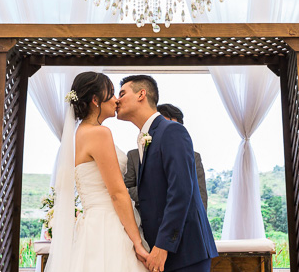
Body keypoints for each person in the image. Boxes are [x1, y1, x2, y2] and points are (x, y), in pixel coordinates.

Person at [45, 71, 149, 272]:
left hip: (91, 226)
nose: (116, 100)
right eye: (111, 94)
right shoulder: (99, 133)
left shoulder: (79, 134)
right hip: (109, 226)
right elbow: (117, 193)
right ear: (95, 100)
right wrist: (137, 242)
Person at [116, 75, 218, 272]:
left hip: (185, 253)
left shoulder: (171, 131)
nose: (117, 100)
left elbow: (181, 191)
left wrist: (163, 246)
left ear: (141, 95)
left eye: (122, 93)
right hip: (162, 252)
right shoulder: (148, 136)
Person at [124, 104, 208, 211]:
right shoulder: (134, 156)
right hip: (145, 223)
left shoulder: (194, 157)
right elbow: (127, 191)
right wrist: (155, 189)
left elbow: (201, 197)